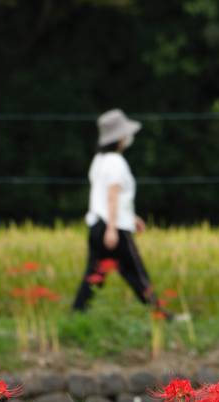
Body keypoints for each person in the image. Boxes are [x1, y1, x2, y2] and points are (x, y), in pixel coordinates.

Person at [72, 109, 169, 316]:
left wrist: (130, 217)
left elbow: (102, 197)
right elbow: (112, 195)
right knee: (136, 272)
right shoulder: (116, 162)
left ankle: (77, 314)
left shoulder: (99, 160)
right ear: (119, 138)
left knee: (94, 274)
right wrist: (113, 228)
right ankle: (160, 314)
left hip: (98, 224)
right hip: (113, 227)